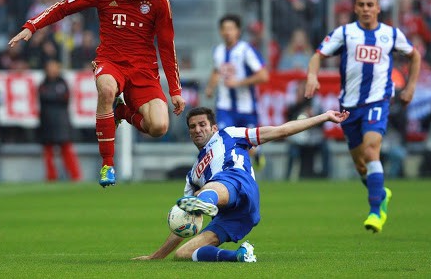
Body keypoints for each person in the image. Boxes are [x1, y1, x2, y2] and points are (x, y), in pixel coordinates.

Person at [8, 0, 185, 187]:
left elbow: (166, 46)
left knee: (158, 127)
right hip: (110, 61)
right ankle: (107, 165)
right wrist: (32, 25)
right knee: (107, 90)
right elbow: (63, 6)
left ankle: (122, 113)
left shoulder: (159, 1)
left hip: (144, 70)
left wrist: (175, 90)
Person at [132, 106, 349, 262]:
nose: (197, 130)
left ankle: (205, 201)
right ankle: (240, 256)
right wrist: (156, 256)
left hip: (239, 183)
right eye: (192, 127)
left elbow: (280, 130)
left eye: (202, 125)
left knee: (213, 186)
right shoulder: (193, 175)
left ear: (213, 127)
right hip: (235, 215)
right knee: (185, 254)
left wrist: (324, 117)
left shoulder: (229, 135)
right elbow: (182, 222)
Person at [305, 0, 421, 233]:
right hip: (349, 106)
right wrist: (312, 76)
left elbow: (415, 56)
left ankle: (375, 212)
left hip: (378, 102)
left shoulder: (391, 34)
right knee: (361, 165)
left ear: (378, 8)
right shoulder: (346, 33)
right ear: (355, 8)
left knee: (371, 150)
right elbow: (318, 54)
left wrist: (410, 86)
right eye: (362, 4)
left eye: (371, 4)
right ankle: (381, 193)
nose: (366, 8)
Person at [205, 14, 269, 168]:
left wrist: (239, 83)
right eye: (225, 29)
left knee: (250, 144)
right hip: (224, 107)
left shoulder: (246, 50)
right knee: (225, 141)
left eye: (231, 28)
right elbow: (216, 70)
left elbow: (263, 75)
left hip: (246, 107)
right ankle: (231, 172)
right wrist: (210, 87)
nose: (228, 32)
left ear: (238, 31)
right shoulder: (218, 51)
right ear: (220, 31)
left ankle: (256, 156)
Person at [38, 60, 82, 182]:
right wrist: (55, 97)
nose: (52, 70)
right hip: (47, 122)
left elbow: (63, 97)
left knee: (67, 149)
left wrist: (52, 97)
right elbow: (45, 97)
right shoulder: (43, 84)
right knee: (48, 152)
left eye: (54, 67)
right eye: (50, 67)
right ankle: (51, 176)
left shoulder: (63, 83)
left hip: (61, 122)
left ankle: (75, 176)